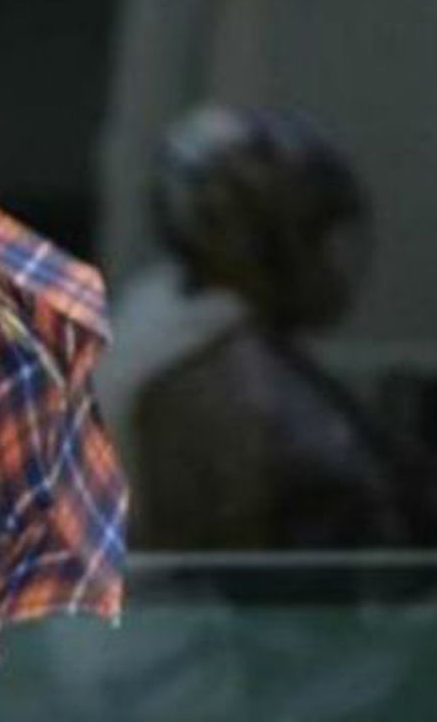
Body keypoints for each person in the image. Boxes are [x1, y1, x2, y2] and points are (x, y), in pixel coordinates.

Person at [99, 105, 410, 549]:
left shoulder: (162, 321)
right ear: (242, 235)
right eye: (312, 234)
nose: (330, 263)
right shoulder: (204, 369)